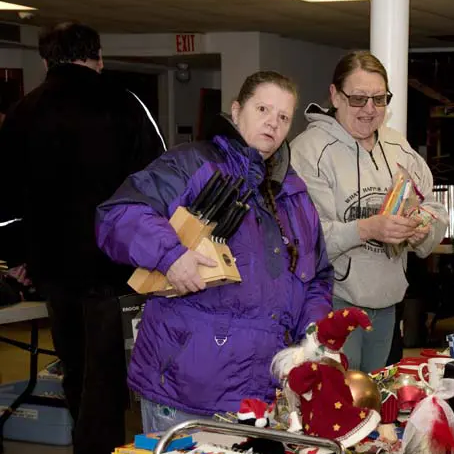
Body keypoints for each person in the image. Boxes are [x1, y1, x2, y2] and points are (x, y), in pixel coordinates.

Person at [96, 71, 333, 434]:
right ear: (237, 111)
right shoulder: (192, 164)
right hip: (186, 394)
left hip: (262, 396)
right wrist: (171, 255)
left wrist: (312, 335)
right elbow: (117, 216)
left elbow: (316, 274)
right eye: (263, 109)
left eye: (284, 117)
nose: (273, 122)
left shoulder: (294, 194)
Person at [0, 22, 164, 454]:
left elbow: (5, 197)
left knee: (75, 371)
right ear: (97, 56)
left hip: (53, 270)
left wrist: (19, 256)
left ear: (46, 60)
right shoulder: (126, 104)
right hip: (116, 271)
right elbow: (160, 180)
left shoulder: (22, 113)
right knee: (108, 379)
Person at [291, 51, 447, 373]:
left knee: (377, 400)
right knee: (340, 404)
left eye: (379, 98)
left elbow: (433, 206)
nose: (370, 109)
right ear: (335, 95)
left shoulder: (397, 146)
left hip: (388, 303)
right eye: (359, 99)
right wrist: (368, 229)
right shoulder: (309, 151)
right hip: (333, 302)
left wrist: (421, 226)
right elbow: (307, 237)